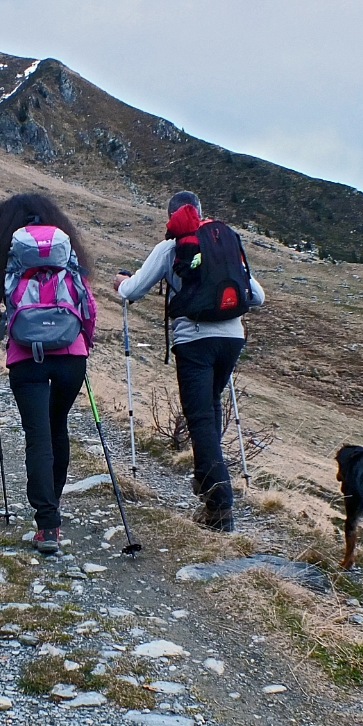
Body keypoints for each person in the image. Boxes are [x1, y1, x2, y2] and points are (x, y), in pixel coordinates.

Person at [114, 191, 264, 531]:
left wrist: (121, 282)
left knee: (199, 418)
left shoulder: (171, 248)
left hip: (195, 341)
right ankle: (204, 479)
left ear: (170, 216)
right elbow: (257, 296)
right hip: (232, 338)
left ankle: (219, 508)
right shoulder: (222, 242)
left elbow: (133, 291)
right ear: (201, 212)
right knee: (208, 408)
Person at [0, 192, 97, 555]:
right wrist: (82, 342)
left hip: (26, 360)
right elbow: (88, 308)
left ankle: (47, 525)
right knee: (58, 427)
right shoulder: (66, 256)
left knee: (38, 435)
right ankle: (53, 505)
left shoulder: (5, 259)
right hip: (71, 358)